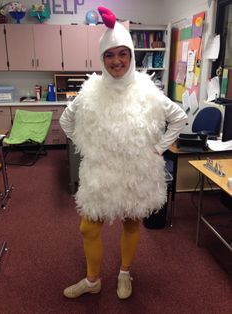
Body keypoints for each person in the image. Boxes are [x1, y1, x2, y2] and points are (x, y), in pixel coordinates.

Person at [59, 6, 187, 300]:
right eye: (109, 54)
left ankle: (124, 272)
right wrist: (85, 143)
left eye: (122, 53)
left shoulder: (147, 90)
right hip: (101, 173)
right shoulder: (90, 91)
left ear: (130, 55)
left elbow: (178, 117)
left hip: (136, 171)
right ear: (102, 58)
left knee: (131, 223)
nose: (116, 61)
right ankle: (93, 280)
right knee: (88, 228)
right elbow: (67, 120)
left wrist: (157, 148)